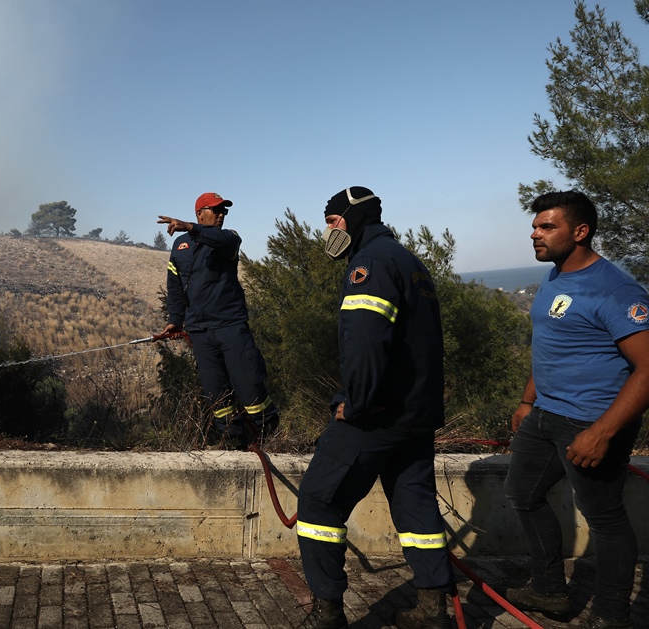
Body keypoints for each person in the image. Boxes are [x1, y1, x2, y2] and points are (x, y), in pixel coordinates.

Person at [297, 186, 455, 629]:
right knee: (415, 505)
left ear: (350, 218)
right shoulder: (408, 260)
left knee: (318, 502)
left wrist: (357, 403)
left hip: (378, 414)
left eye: (331, 222)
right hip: (416, 414)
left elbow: (365, 341)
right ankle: (432, 609)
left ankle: (327, 613)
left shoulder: (370, 264)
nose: (328, 232)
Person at [503, 190, 649, 629]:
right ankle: (550, 590)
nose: (535, 233)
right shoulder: (554, 276)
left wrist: (602, 432)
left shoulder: (615, 290)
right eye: (535, 226)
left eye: (547, 226)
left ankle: (611, 616)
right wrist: (528, 400)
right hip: (545, 415)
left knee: (605, 519)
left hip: (591, 420)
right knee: (522, 494)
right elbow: (550, 345)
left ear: (580, 231)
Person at [157, 192, 279, 449]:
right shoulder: (180, 246)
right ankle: (231, 442)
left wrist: (192, 227)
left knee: (250, 386)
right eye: (216, 210)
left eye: (224, 210)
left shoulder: (228, 239)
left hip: (231, 326)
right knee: (217, 393)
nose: (222, 214)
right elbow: (174, 286)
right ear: (200, 213)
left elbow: (220, 239)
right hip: (200, 332)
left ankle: (272, 439)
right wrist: (176, 320)